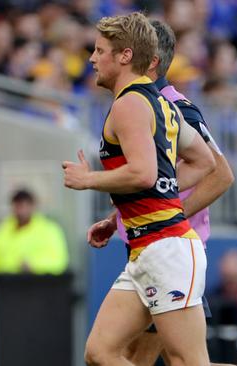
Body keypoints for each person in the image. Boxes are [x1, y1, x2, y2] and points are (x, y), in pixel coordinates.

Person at [62, 12, 215, 366]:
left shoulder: (129, 102)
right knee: (100, 353)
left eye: (100, 51)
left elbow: (144, 174)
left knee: (186, 362)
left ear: (125, 56)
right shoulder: (162, 104)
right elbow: (202, 161)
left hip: (166, 250)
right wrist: (130, 211)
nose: (92, 59)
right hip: (147, 250)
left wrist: (89, 180)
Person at [0, 189, 69, 275]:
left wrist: (34, 266)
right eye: (17, 206)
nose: (21, 211)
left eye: (24, 206)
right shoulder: (3, 230)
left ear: (33, 206)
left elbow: (59, 261)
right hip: (6, 286)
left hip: (38, 285)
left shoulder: (49, 230)